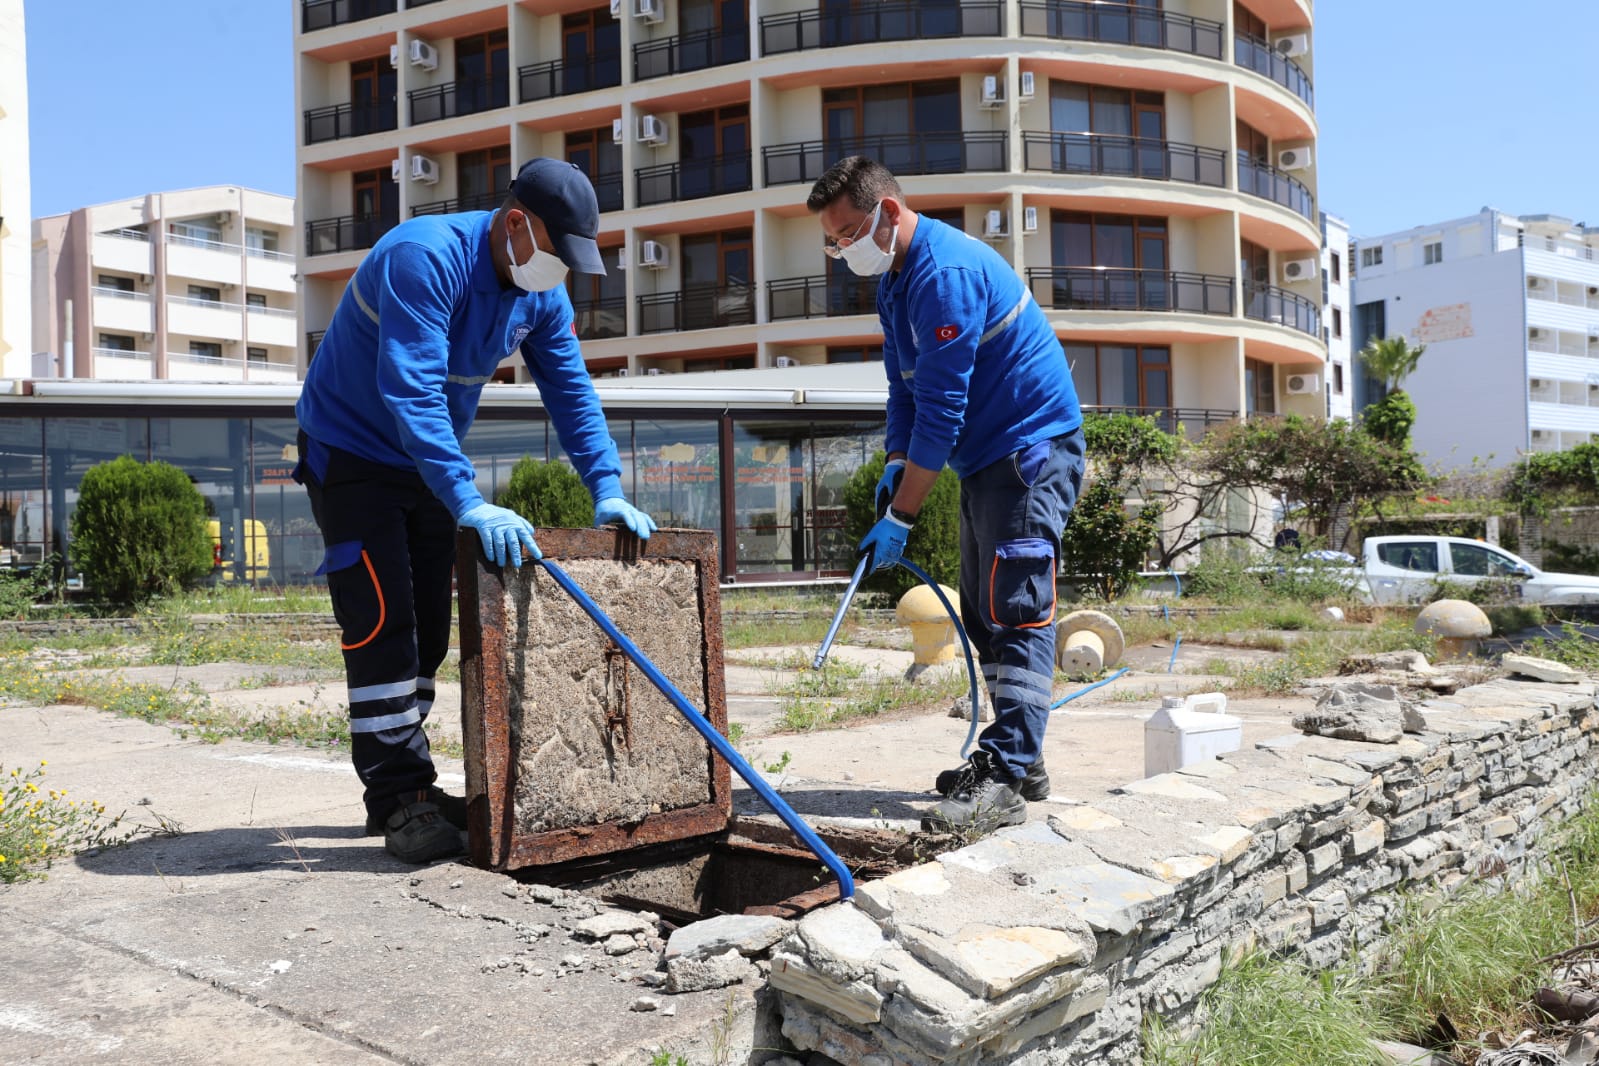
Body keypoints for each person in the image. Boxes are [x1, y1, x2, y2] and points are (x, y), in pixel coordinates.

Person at [295, 158, 657, 864]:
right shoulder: (422, 258)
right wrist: (466, 498)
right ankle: (400, 795)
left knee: (430, 625)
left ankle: (408, 791)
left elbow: (571, 393)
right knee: (381, 621)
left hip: (426, 464)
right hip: (353, 456)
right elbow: (412, 392)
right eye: (556, 252)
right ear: (516, 223)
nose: (560, 271)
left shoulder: (539, 295)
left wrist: (606, 485)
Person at [808, 156, 1085, 834]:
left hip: (1026, 454)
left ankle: (1004, 774)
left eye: (849, 233)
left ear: (890, 212)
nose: (843, 248)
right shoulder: (898, 282)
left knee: (1016, 610)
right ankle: (1021, 758)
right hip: (985, 460)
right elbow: (904, 389)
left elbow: (943, 411)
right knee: (986, 614)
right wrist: (895, 460)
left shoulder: (945, 275)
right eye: (834, 240)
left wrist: (903, 511)